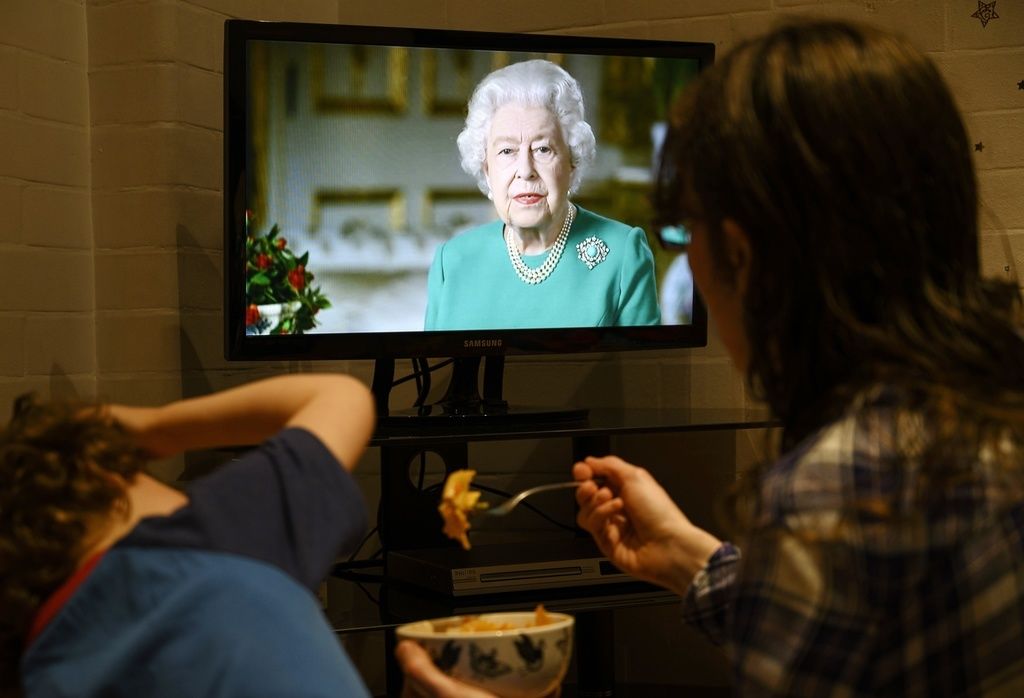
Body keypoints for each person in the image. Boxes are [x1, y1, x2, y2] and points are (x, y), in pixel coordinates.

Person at [398, 18, 1024, 697]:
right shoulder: (989, 423)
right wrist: (691, 562)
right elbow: (862, 631)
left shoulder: (836, 499)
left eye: (687, 227)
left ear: (742, 254)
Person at [1, 373, 377, 697]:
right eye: (144, 467)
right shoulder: (209, 538)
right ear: (109, 481)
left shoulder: (41, 671)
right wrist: (155, 427)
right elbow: (340, 396)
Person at [424, 59, 661, 330]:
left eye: (543, 149)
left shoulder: (623, 254)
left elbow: (644, 371)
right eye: (507, 151)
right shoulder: (452, 261)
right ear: (486, 169)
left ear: (573, 161)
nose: (526, 171)